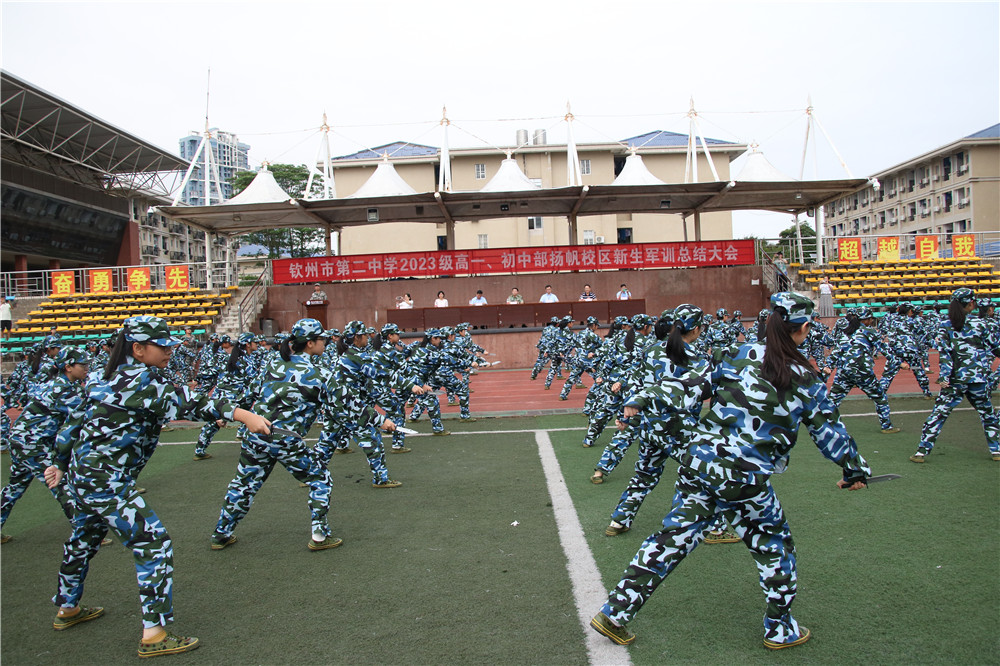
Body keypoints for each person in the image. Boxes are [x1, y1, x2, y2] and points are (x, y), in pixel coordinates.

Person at [590, 292, 871, 650]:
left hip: (700, 464)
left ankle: (614, 612)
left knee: (669, 540)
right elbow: (832, 435)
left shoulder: (735, 354)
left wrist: (640, 399)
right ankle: (779, 628)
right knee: (774, 545)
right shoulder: (806, 379)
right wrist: (854, 471)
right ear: (801, 328)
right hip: (745, 480)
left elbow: (687, 386)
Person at [47, 316, 271, 658]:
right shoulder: (141, 382)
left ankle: (67, 607)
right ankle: (153, 634)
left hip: (83, 476)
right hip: (107, 481)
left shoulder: (101, 377)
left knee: (84, 539)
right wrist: (244, 415)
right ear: (138, 349)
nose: (169, 351)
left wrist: (59, 464)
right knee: (153, 543)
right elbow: (193, 403)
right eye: (162, 346)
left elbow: (72, 424)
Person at [910, 288, 1000, 463]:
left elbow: (944, 354)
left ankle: (922, 451)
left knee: (939, 414)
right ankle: (996, 450)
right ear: (972, 303)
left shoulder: (945, 325)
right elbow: (995, 347)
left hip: (955, 379)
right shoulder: (982, 324)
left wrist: (944, 377)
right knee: (987, 413)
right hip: (978, 378)